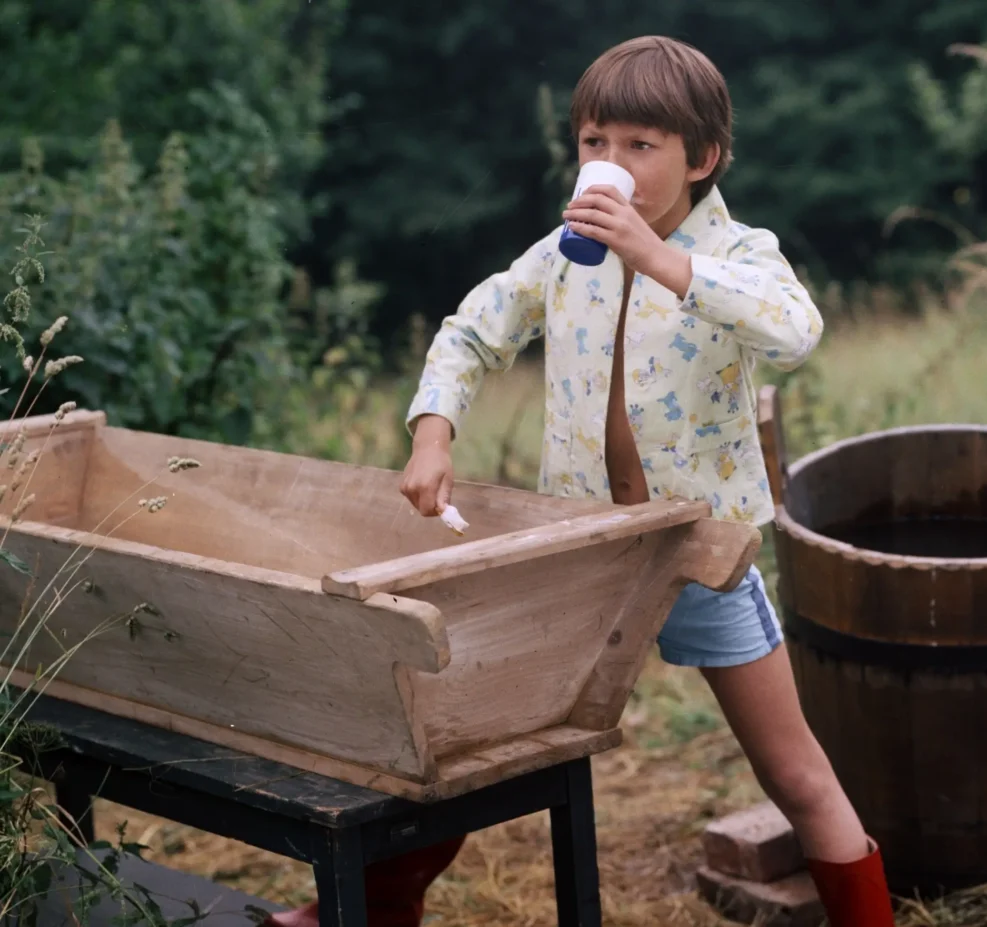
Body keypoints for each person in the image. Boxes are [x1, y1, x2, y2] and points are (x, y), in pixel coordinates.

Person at [267, 34, 895, 927]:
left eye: (640, 146)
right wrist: (432, 434)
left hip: (698, 550)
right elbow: (471, 329)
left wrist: (662, 258)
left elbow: (795, 329)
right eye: (596, 142)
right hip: (582, 554)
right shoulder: (563, 253)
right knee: (465, 734)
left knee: (796, 771)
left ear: (703, 159)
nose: (611, 165)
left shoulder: (740, 251)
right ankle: (374, 906)